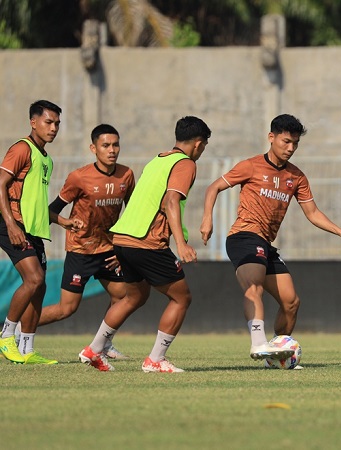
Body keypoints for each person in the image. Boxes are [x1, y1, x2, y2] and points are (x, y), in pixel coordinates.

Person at [200, 114, 341, 363]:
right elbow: (214, 187)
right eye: (286, 142)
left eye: (295, 143)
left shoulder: (296, 177)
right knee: (254, 287)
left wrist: (340, 231)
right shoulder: (250, 166)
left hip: (265, 243)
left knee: (291, 303)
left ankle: (275, 353)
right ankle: (258, 344)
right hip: (243, 236)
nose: (291, 148)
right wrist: (207, 219)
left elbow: (313, 212)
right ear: (271, 138)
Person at [78, 115, 211, 372]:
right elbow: (171, 201)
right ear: (197, 144)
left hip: (124, 239)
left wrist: (125, 247)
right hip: (146, 243)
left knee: (134, 297)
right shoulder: (185, 164)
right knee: (181, 298)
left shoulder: (157, 160)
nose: (202, 151)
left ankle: (93, 350)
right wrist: (182, 244)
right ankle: (155, 360)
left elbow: (152, 201)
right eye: (203, 146)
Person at [33, 124, 135, 360]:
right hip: (81, 250)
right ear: (93, 148)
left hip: (109, 250)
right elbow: (50, 211)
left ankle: (103, 344)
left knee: (123, 297)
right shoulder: (79, 177)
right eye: (105, 145)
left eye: (115, 144)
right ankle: (16, 330)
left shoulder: (126, 175)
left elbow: (131, 214)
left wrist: (123, 246)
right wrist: (65, 222)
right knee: (66, 309)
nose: (112, 150)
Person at [0, 99, 63, 364]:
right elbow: (0, 185)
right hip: (11, 224)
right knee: (34, 279)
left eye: (57, 123)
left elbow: (35, 201)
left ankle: (26, 348)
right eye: (48, 122)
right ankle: (6, 336)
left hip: (34, 230)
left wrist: (63, 221)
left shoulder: (45, 158)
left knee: (40, 287)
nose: (53, 128)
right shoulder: (22, 149)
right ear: (33, 122)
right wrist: (12, 225)